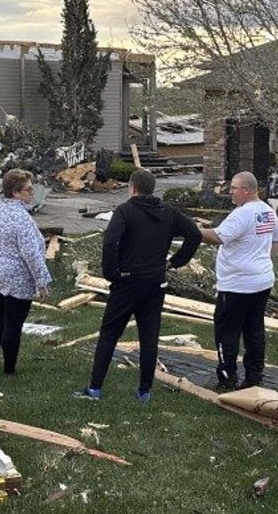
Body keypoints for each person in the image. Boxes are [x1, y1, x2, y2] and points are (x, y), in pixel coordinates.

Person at [78, 168, 202, 402]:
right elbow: (194, 234)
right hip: (155, 282)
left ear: (132, 188)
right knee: (149, 336)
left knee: (109, 334)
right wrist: (175, 262)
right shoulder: (168, 212)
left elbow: (110, 241)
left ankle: (95, 388)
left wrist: (111, 273)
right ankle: (144, 392)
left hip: (127, 281)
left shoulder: (125, 211)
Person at [199, 171, 278, 390]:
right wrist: (266, 261)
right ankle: (254, 376)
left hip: (237, 285)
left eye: (234, 188)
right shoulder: (267, 211)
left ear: (246, 190)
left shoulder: (242, 214)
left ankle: (227, 378)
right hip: (261, 282)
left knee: (227, 332)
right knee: (254, 329)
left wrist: (192, 230)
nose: (230, 193)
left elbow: (217, 237)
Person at [0, 169, 52, 375]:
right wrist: (41, 280)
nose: (32, 193)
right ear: (15, 193)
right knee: (13, 323)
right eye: (28, 190)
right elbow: (31, 253)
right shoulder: (21, 218)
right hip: (16, 276)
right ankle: (9, 369)